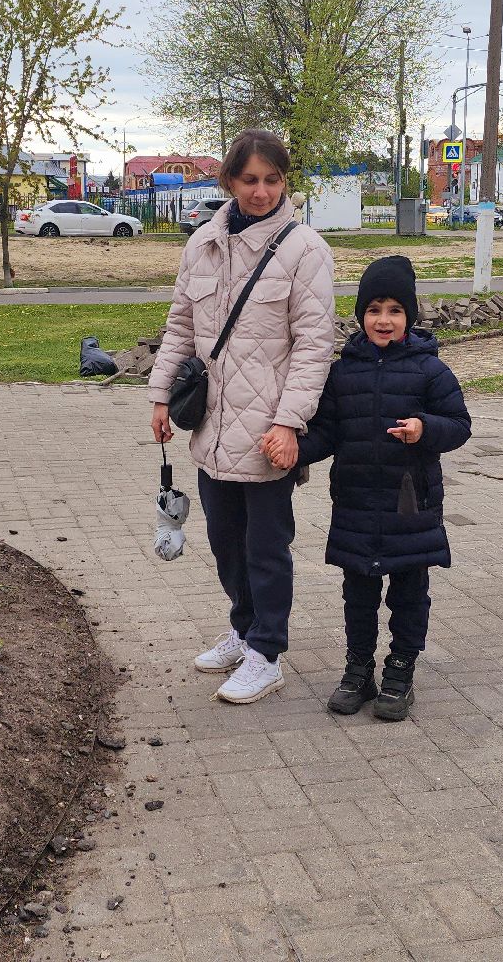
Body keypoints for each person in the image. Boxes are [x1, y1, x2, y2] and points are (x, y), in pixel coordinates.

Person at [148, 129, 337, 705]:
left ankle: (266, 653)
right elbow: (181, 326)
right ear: (229, 181)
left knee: (266, 548)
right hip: (211, 426)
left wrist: (289, 422)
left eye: (272, 180)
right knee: (225, 541)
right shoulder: (202, 244)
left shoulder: (305, 250)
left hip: (267, 434)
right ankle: (244, 627)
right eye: (250, 180)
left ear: (285, 182)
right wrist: (160, 397)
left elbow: (314, 346)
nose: (261, 191)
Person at [297, 256, 471, 722]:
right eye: (374, 310)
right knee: (358, 594)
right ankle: (358, 669)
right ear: (361, 315)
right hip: (355, 502)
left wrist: (424, 428)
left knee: (409, 593)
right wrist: (294, 451)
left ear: (409, 316)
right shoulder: (342, 372)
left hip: (410, 504)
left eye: (395, 310)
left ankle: (400, 670)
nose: (384, 320)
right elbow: (327, 432)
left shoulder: (430, 370)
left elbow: (459, 425)